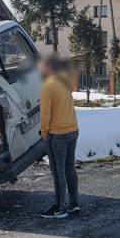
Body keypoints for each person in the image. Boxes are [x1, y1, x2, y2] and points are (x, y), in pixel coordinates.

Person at [38, 56, 80, 219]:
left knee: (58, 171)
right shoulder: (65, 83)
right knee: (70, 168)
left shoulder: (48, 86)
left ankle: (59, 208)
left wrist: (44, 132)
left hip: (58, 135)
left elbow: (45, 113)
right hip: (72, 130)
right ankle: (74, 203)